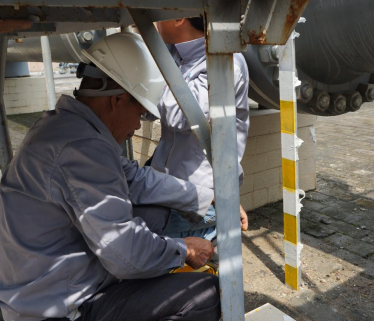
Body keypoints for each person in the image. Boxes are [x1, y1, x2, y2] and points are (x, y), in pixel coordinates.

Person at [0, 32, 220, 321]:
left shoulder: (64, 127)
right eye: (140, 114)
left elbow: (134, 179)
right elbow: (125, 252)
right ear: (117, 100)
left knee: (155, 215)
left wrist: (209, 197)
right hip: (56, 309)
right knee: (207, 295)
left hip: (38, 280)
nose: (136, 127)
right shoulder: (83, 149)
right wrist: (185, 250)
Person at [147, 17, 250, 241]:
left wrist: (146, 84)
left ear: (178, 17)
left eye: (159, 12)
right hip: (167, 186)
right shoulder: (173, 53)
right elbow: (147, 111)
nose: (154, 20)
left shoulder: (223, 60)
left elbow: (177, 116)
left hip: (197, 198)